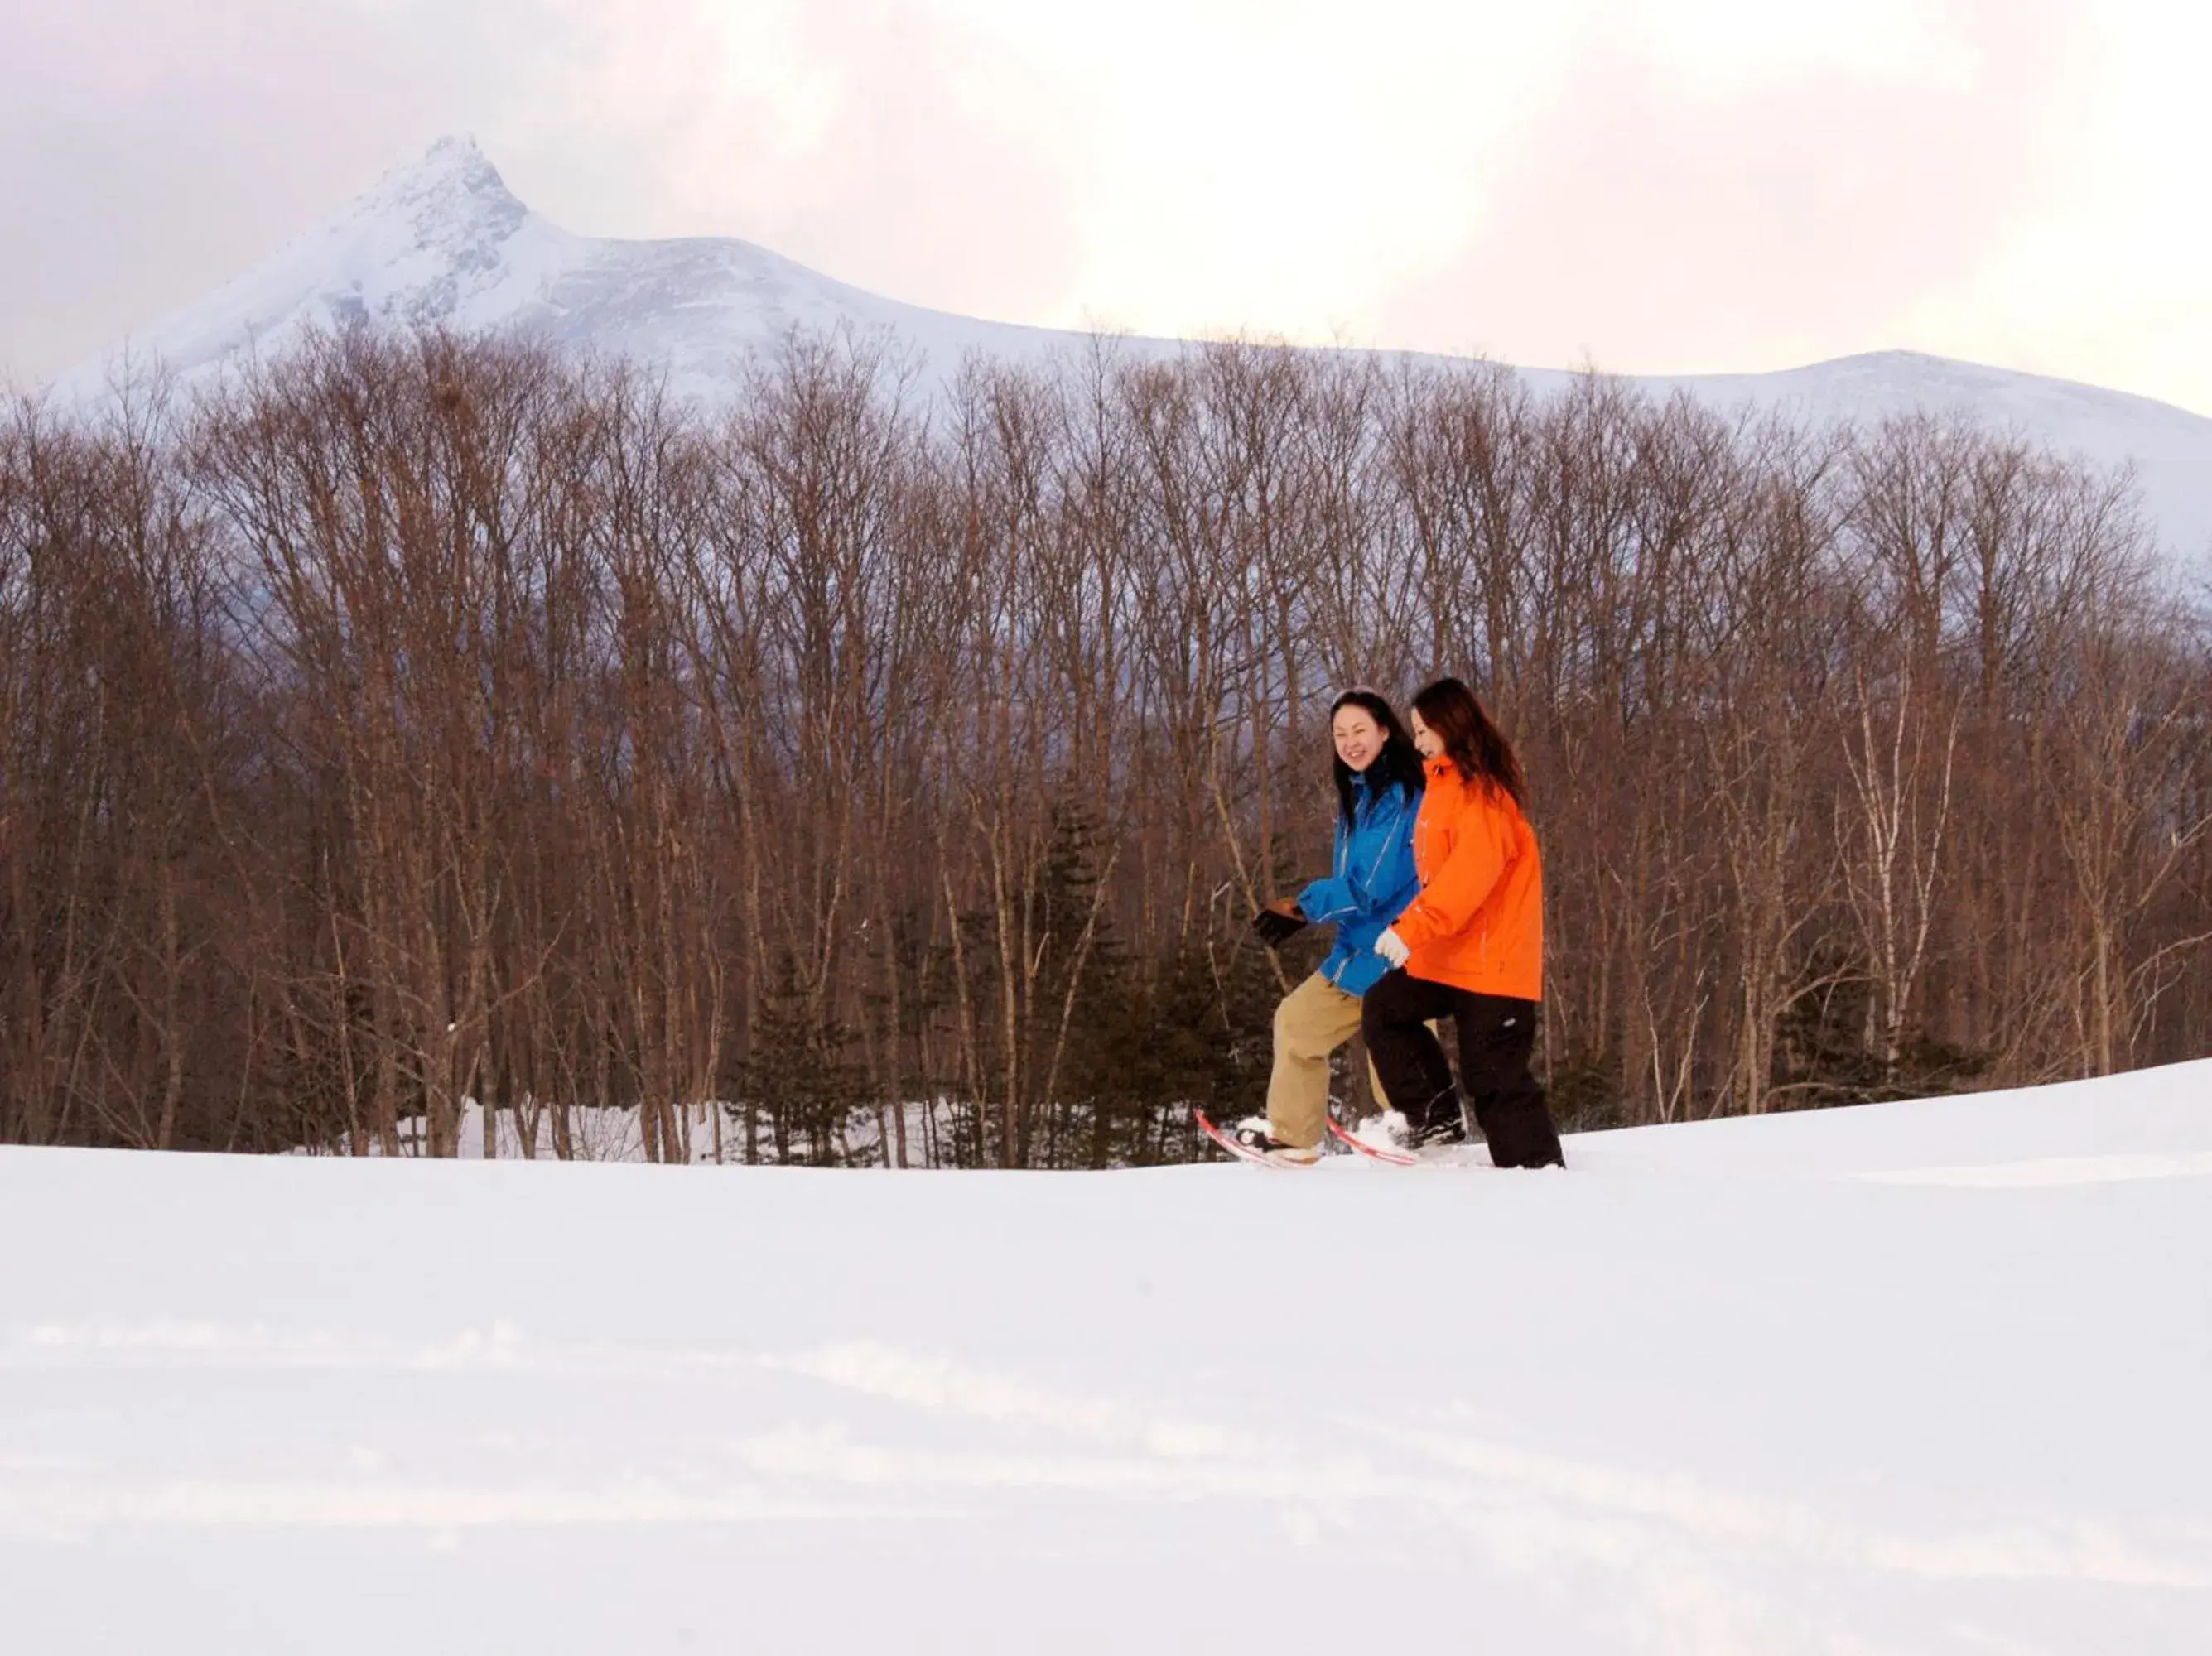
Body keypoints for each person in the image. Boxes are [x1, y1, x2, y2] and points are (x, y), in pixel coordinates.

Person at [1363, 677, 1565, 1168]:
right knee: (1387, 1008)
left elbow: (1464, 883)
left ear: (1452, 723)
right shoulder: (1442, 785)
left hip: (1494, 966)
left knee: (1494, 1077)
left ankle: (1536, 1177)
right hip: (1452, 956)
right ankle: (1434, 1117)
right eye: (1415, 730)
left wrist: (1411, 929)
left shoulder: (1485, 797)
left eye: (1426, 728)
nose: (1420, 739)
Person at [1231, 688, 1425, 1166]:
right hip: (1356, 949)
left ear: (1384, 731)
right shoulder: (1359, 797)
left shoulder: (1400, 795)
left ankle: (1421, 1137)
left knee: (1393, 1057)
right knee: (1297, 1024)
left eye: (1360, 730)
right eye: (1340, 734)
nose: (1350, 742)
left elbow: (1370, 885)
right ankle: (1294, 1138)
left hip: (1396, 950)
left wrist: (1303, 905)